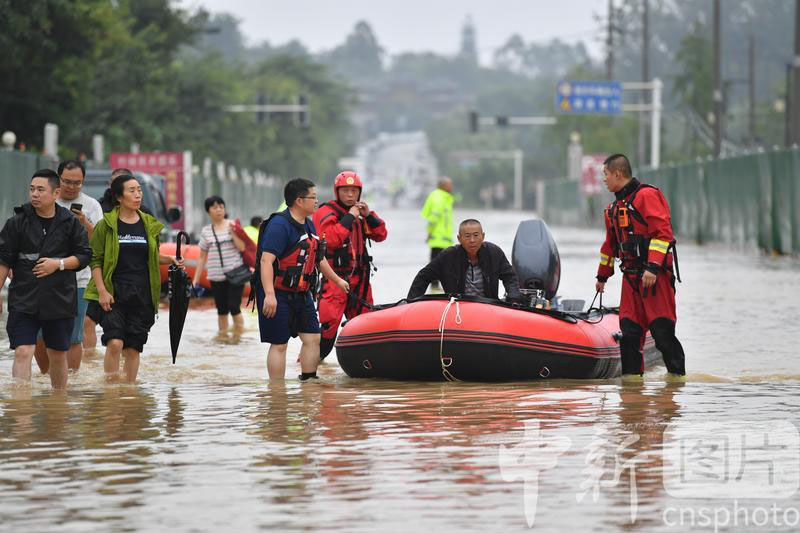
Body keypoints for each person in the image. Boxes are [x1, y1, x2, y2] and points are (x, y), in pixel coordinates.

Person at [594, 153, 686, 380]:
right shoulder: (614, 209)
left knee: (662, 332)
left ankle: (677, 381)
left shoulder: (646, 196)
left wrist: (653, 267)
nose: (603, 179)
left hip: (655, 279)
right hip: (632, 279)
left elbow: (663, 234)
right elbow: (610, 246)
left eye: (605, 174)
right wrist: (602, 277)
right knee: (630, 333)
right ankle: (633, 388)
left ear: (617, 173)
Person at [84, 174, 182, 383]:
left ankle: (129, 394)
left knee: (133, 348)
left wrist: (170, 260)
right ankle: (111, 393)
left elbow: (150, 256)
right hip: (114, 292)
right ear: (119, 197)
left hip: (142, 294)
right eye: (132, 191)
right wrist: (101, 291)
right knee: (115, 343)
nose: (138, 195)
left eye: (139, 190)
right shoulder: (107, 225)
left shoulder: (148, 224)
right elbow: (96, 260)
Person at [0, 169, 91, 389]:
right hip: (24, 299)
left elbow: (84, 256)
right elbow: (3, 260)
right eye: (32, 189)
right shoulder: (16, 222)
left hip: (59, 300)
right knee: (23, 351)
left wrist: (58, 264)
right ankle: (21, 411)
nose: (34, 194)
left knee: (58, 355)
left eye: (41, 190)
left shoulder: (70, 223)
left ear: (55, 193)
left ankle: (58, 407)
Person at [254, 178, 349, 381]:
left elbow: (318, 258)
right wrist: (269, 295)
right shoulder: (279, 226)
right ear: (299, 200)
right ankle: (277, 391)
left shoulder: (309, 225)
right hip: (277, 293)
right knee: (280, 344)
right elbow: (265, 261)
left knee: (313, 338)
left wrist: (337, 280)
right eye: (313, 197)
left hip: (301, 292)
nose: (316, 201)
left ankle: (308, 382)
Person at [33, 160, 103, 374]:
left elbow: (100, 243)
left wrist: (85, 224)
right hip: (42, 278)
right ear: (58, 178)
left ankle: (70, 380)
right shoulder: (44, 200)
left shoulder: (92, 206)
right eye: (67, 182)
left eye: (77, 183)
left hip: (78, 279)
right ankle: (48, 376)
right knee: (38, 336)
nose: (71, 187)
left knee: (73, 336)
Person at [313, 171, 388, 360]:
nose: (350, 195)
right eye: (345, 190)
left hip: (360, 281)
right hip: (335, 280)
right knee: (328, 330)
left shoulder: (361, 214)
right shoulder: (326, 212)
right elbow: (330, 240)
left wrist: (368, 215)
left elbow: (381, 235)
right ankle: (309, 369)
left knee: (364, 327)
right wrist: (349, 217)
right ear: (337, 192)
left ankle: (361, 370)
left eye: (354, 191)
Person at [408, 219, 520, 300]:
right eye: (467, 236)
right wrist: (412, 302)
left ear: (483, 236)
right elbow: (423, 277)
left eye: (476, 235)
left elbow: (509, 276)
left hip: (488, 307)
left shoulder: (494, 252)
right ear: (459, 238)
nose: (472, 240)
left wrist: (513, 297)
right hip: (457, 308)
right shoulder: (448, 256)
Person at [193, 196, 247, 333]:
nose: (218, 210)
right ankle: (222, 338)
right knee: (221, 310)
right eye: (215, 207)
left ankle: (238, 337)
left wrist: (233, 233)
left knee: (234, 308)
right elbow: (201, 257)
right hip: (216, 275)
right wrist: (196, 280)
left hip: (235, 274)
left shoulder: (233, 225)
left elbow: (242, 247)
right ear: (208, 211)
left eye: (221, 207)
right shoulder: (206, 231)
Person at [421, 177, 454, 264]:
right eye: (450, 185)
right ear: (444, 186)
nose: (452, 187)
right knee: (436, 270)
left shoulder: (445, 197)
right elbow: (433, 219)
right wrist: (429, 233)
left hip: (444, 241)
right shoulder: (439, 198)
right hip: (438, 241)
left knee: (442, 269)